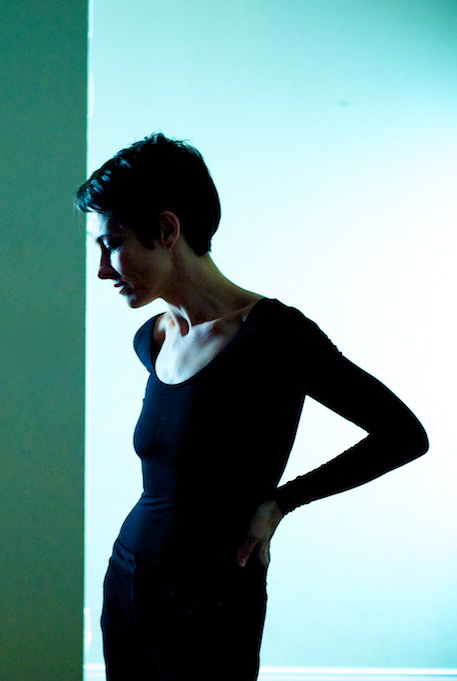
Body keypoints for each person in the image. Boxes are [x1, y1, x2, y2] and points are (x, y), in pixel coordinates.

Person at [76, 133, 429, 681]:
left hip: (211, 599)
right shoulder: (152, 339)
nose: (102, 269)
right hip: (127, 578)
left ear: (167, 230)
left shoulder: (276, 335)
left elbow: (404, 435)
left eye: (112, 243)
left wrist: (282, 502)